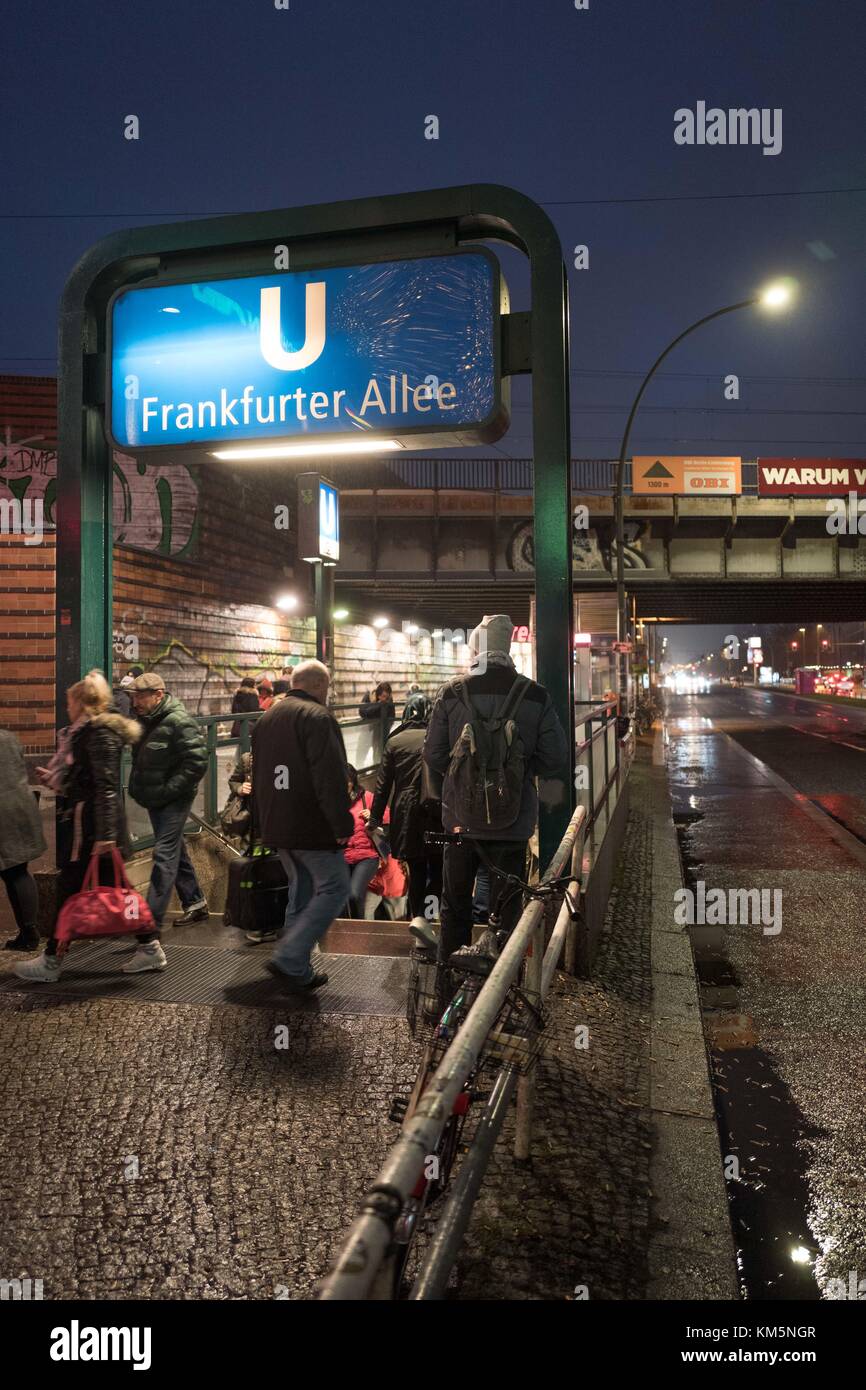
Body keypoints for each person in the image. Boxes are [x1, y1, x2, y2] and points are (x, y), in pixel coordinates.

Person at [423, 613, 568, 968]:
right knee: (506, 909)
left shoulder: (451, 692)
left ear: (475, 649)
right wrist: (514, 769)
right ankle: (501, 991)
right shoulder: (536, 695)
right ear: (508, 649)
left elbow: (433, 754)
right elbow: (555, 758)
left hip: (459, 822)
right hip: (513, 822)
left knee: (455, 905)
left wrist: (465, 775)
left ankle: (447, 989)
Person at [14, 671, 144, 981]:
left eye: (69, 702)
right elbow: (90, 780)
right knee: (118, 890)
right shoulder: (86, 732)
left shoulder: (97, 733)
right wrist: (60, 783)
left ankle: (50, 961)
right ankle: (150, 945)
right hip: (93, 828)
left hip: (93, 831)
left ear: (83, 703)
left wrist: (106, 836)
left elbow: (107, 786)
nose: (66, 708)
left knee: (70, 890)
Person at [252, 659, 353, 992]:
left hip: (276, 823)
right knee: (336, 887)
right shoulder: (319, 718)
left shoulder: (267, 717)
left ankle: (297, 968)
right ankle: (291, 956)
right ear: (320, 686)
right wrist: (341, 823)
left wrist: (262, 823)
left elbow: (260, 775)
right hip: (310, 824)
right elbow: (330, 777)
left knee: (303, 887)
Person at [128, 672, 209, 933]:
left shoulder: (178, 721)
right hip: (156, 797)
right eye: (134, 697)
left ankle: (150, 922)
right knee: (175, 848)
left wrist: (169, 789)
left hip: (174, 799)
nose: (135, 702)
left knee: (164, 853)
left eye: (141, 696)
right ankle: (195, 902)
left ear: (158, 695)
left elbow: (197, 762)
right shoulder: (144, 721)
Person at [369, 692, 442, 948]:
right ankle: (428, 921)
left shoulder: (394, 741)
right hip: (435, 813)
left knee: (417, 870)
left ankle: (417, 919)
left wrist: (375, 818)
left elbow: (382, 787)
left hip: (405, 814)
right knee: (439, 869)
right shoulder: (437, 739)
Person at [0, 728, 47, 952]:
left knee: (14, 874)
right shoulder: (9, 737)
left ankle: (28, 935)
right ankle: (29, 933)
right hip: (19, 809)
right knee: (17, 872)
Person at [343, 764, 389, 918]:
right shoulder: (333, 802)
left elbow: (388, 815)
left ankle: (359, 932)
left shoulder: (366, 797)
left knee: (354, 894)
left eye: (347, 780)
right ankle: (341, 936)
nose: (344, 784)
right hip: (342, 857)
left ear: (353, 781)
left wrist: (373, 815)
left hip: (366, 857)